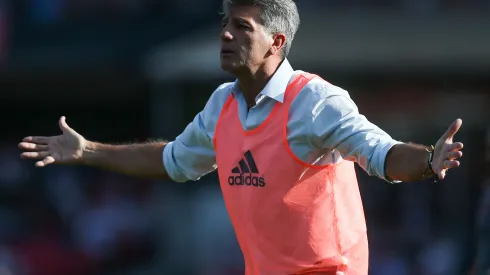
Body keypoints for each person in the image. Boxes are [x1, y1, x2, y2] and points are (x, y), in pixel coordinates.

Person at [18, 0, 464, 274]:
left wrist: (428, 159)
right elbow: (173, 160)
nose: (226, 33)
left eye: (242, 26)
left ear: (276, 41)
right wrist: (89, 150)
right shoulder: (222, 105)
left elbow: (381, 154)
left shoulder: (315, 101)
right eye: (226, 23)